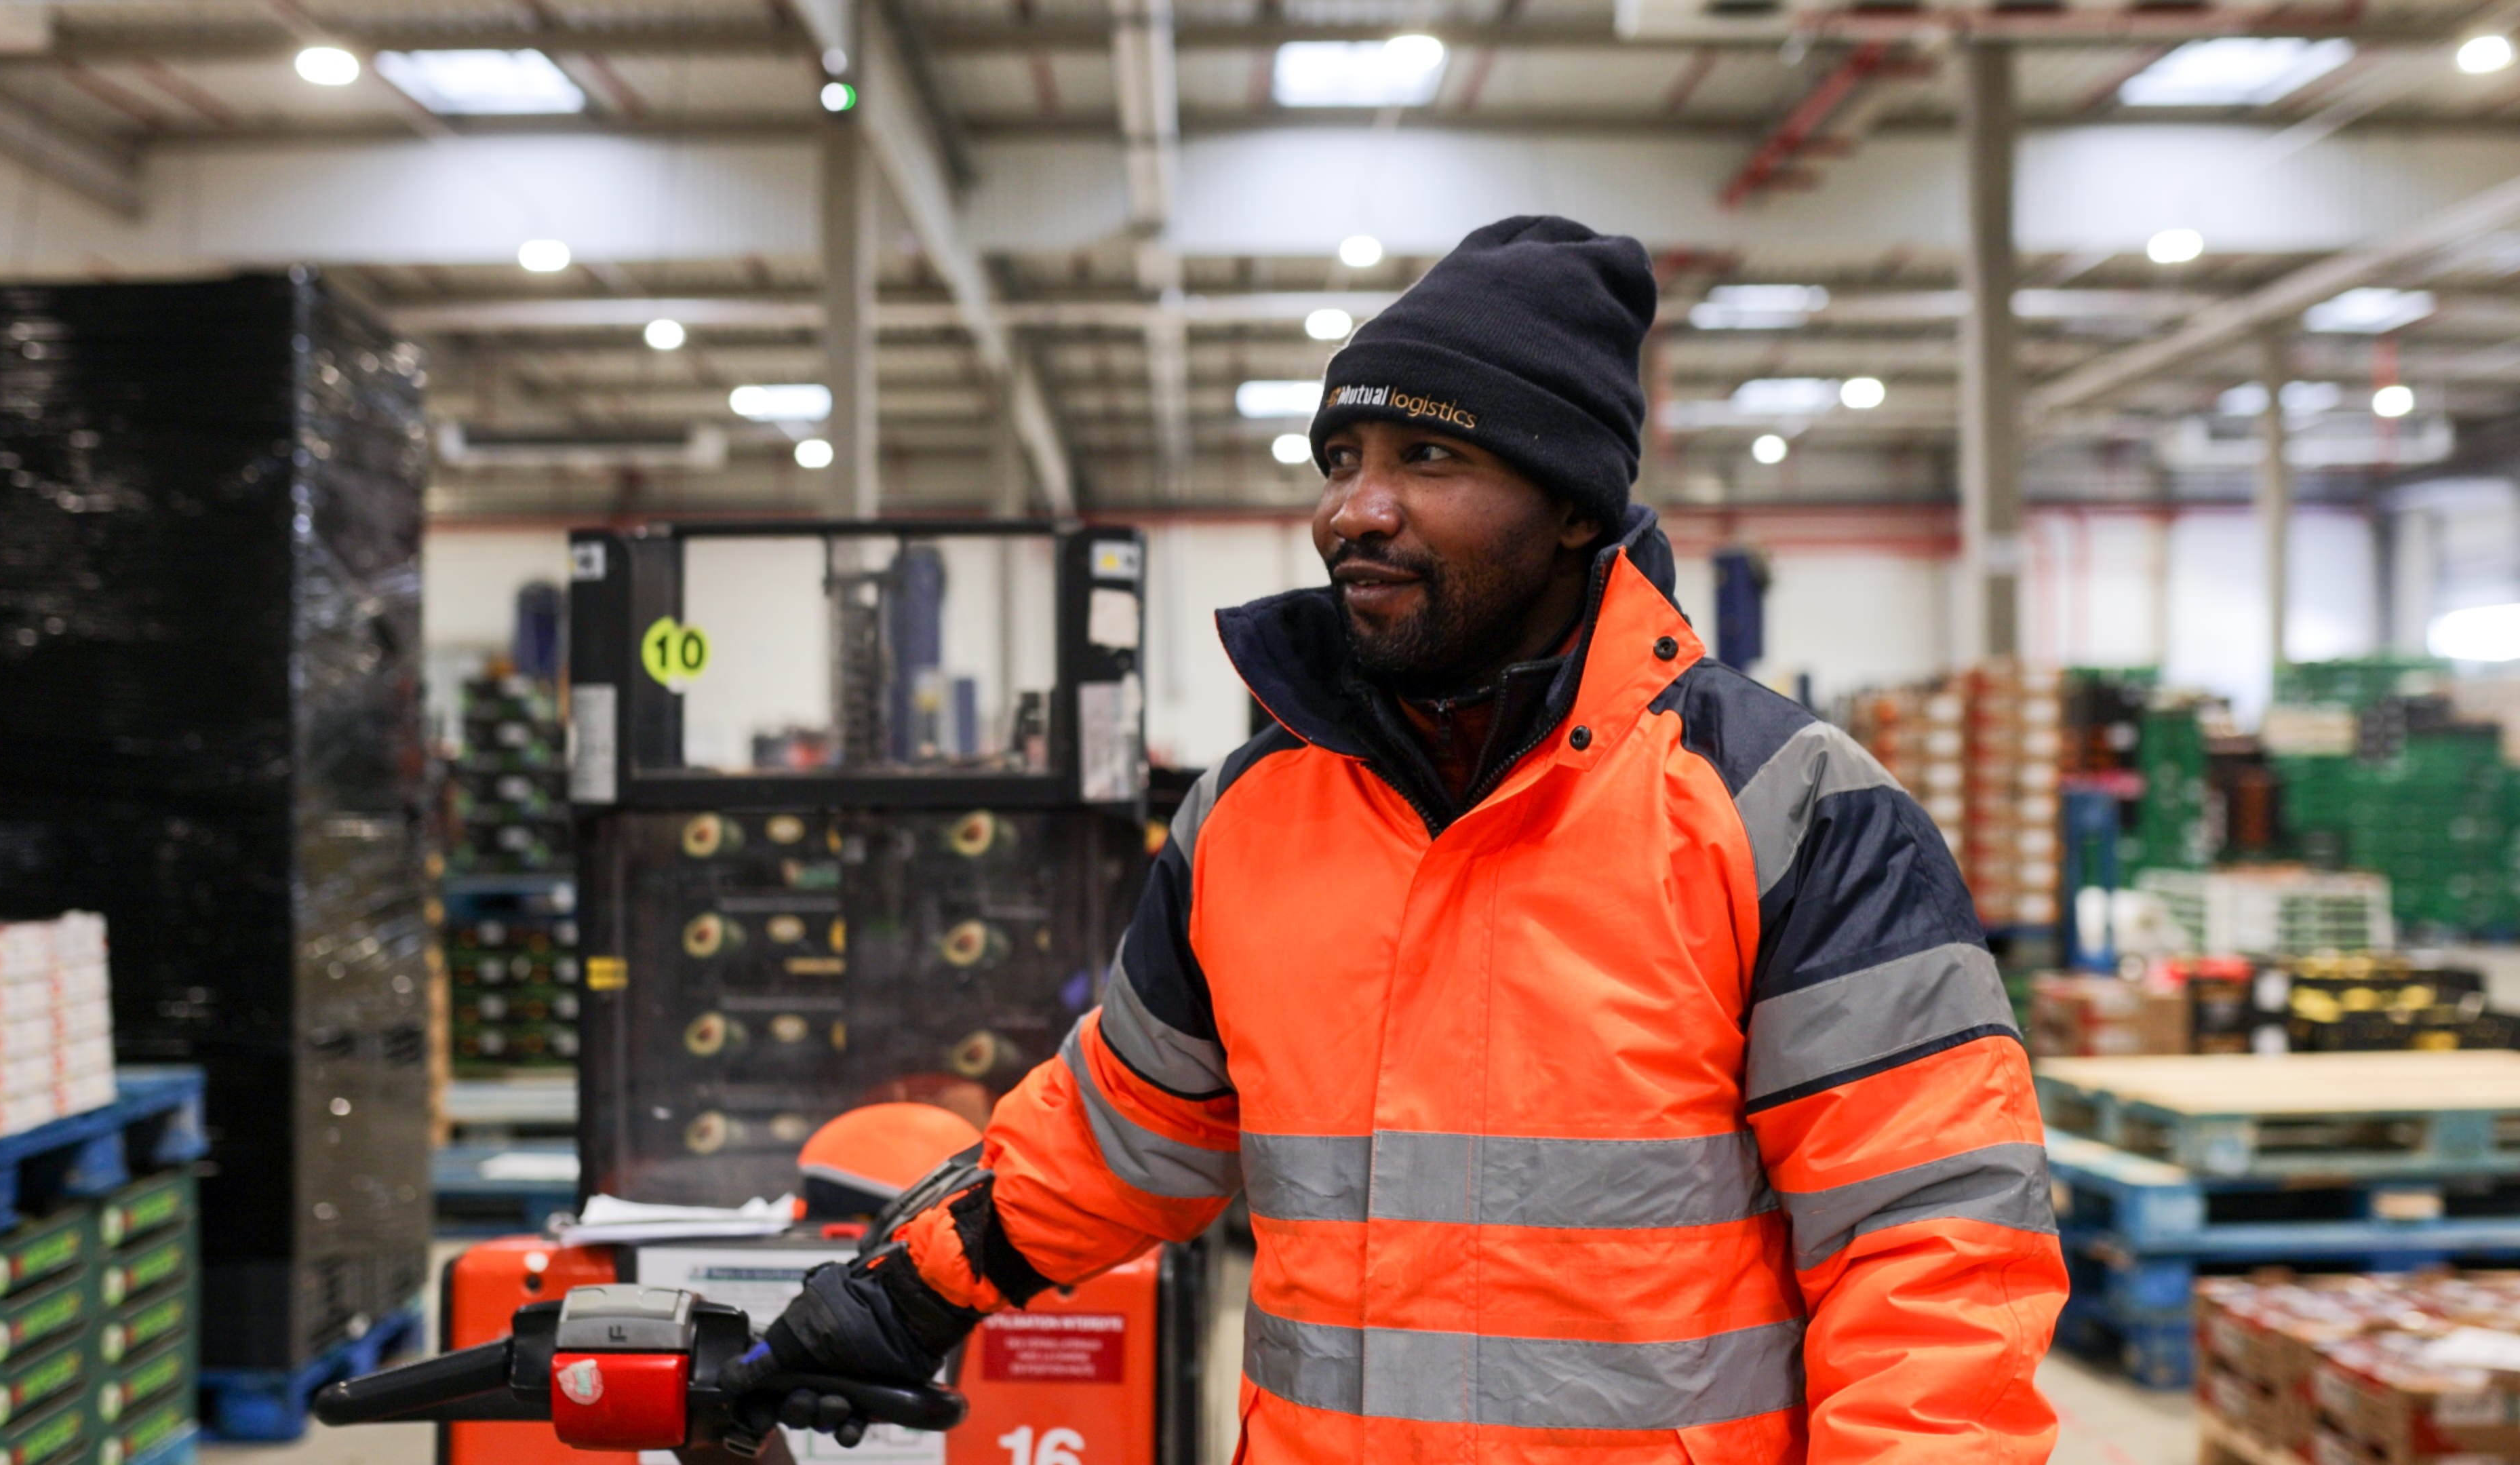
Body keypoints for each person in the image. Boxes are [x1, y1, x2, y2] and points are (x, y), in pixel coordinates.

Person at [724, 215, 2068, 1462]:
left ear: (1575, 509)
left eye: (1428, 458)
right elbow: (1122, 1128)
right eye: (1341, 460)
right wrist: (896, 1300)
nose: (1353, 509)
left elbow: (1934, 1250)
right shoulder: (1251, 817)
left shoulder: (1785, 810)